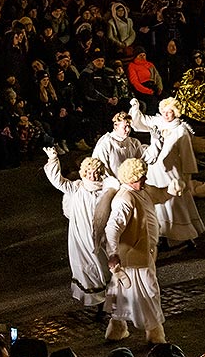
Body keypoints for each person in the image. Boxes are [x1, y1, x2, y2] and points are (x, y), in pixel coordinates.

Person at [104, 157, 178, 343]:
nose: (145, 180)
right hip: (134, 256)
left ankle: (117, 329)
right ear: (131, 178)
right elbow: (113, 227)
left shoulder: (142, 190)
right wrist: (113, 253)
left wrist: (173, 189)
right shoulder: (124, 199)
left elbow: (160, 195)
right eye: (141, 177)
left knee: (122, 293)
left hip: (144, 252)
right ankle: (155, 334)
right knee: (148, 292)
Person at [43, 149, 119, 315]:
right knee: (88, 268)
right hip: (81, 236)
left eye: (96, 172)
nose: (92, 176)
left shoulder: (107, 191)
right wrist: (53, 159)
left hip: (101, 237)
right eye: (89, 172)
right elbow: (58, 181)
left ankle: (110, 300)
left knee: (104, 267)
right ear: (84, 173)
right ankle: (100, 303)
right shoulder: (77, 188)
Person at [129, 97, 205, 247]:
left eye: (170, 112)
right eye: (164, 111)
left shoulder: (181, 130)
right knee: (158, 204)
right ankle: (163, 236)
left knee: (176, 203)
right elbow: (140, 122)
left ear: (176, 113)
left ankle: (188, 237)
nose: (166, 114)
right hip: (155, 170)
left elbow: (187, 155)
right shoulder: (158, 122)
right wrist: (135, 108)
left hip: (172, 173)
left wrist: (187, 176)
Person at [91, 110, 162, 178]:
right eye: (124, 127)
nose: (128, 130)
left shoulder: (134, 142)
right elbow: (102, 170)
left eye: (129, 126)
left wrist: (155, 141)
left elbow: (142, 162)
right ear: (116, 126)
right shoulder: (105, 144)